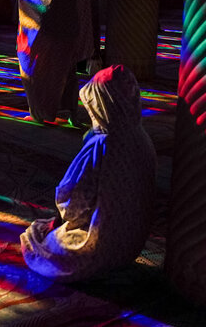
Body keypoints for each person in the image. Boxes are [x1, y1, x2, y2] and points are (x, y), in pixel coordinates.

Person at [19, 65, 157, 282]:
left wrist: (60, 223)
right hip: (131, 245)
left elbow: (71, 202)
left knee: (35, 237)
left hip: (98, 247)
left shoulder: (102, 145)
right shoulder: (143, 139)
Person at [15, 0, 82, 123]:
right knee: (66, 71)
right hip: (69, 28)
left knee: (38, 70)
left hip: (47, 31)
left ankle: (42, 112)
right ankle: (70, 110)